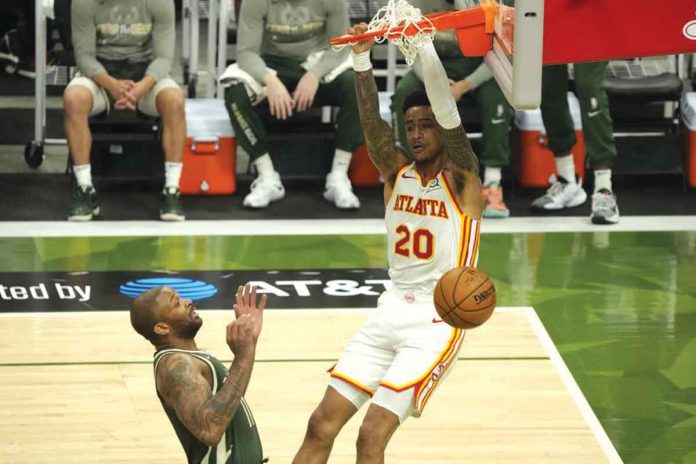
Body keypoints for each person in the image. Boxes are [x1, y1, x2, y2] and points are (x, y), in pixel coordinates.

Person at [293, 23, 483, 463]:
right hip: (389, 309)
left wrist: (426, 54)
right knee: (321, 423)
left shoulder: (461, 178)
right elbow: (372, 126)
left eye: (426, 126)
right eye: (410, 126)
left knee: (370, 435)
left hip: (437, 321)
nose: (416, 134)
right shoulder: (397, 173)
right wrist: (362, 60)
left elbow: (449, 118)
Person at [226, 0, 364, 209]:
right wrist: (269, 80)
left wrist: (314, 74)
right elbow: (246, 53)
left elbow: (340, 46)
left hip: (316, 62)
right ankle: (267, 176)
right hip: (270, 63)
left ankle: (338, 176)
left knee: (357, 84)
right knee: (235, 92)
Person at [65, 0, 186, 221]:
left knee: (175, 101)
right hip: (100, 74)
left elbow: (164, 58)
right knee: (74, 99)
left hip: (145, 73)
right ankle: (84, 189)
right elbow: (84, 57)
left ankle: (172, 189)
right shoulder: (84, 2)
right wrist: (112, 85)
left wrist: (141, 87)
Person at [391, 0, 513, 219]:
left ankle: (493, 183)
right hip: (433, 65)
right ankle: (412, 178)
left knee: (499, 94)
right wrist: (434, 80)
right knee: (403, 91)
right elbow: (411, 48)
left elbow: (501, 50)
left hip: (479, 67)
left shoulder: (485, 2)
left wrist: (464, 85)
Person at [130, 284, 267, 464]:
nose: (188, 302)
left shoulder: (188, 359)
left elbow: (228, 403)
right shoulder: (175, 366)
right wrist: (243, 356)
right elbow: (209, 428)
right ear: (162, 328)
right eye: (177, 303)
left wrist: (249, 342)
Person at [530, 62, 620, 224]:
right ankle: (567, 182)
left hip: (591, 36)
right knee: (547, 86)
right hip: (550, 35)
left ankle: (604, 188)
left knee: (589, 87)